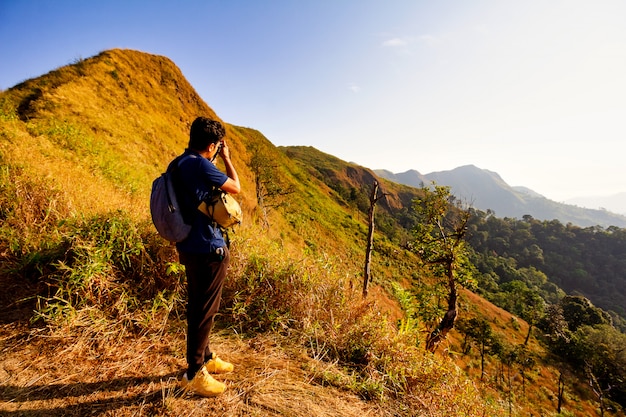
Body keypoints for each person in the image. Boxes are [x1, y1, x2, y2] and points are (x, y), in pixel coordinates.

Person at [170, 116, 241, 397]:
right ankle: (194, 373)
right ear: (212, 145)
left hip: (188, 244)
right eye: (217, 147)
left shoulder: (179, 164)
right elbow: (235, 186)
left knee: (200, 306)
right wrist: (227, 158)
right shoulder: (201, 164)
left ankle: (207, 357)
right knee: (204, 310)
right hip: (207, 248)